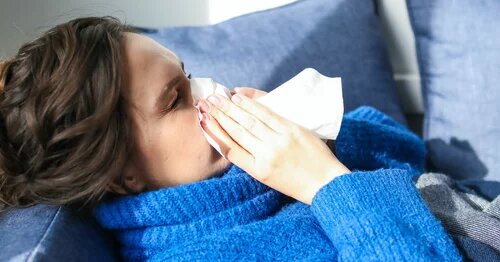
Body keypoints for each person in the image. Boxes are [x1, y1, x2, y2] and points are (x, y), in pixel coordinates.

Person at [0, 17, 461, 260]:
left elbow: (412, 154)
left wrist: (320, 136)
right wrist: (324, 185)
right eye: (176, 99)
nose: (209, 91)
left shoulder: (251, 169)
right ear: (123, 177)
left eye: (188, 73)